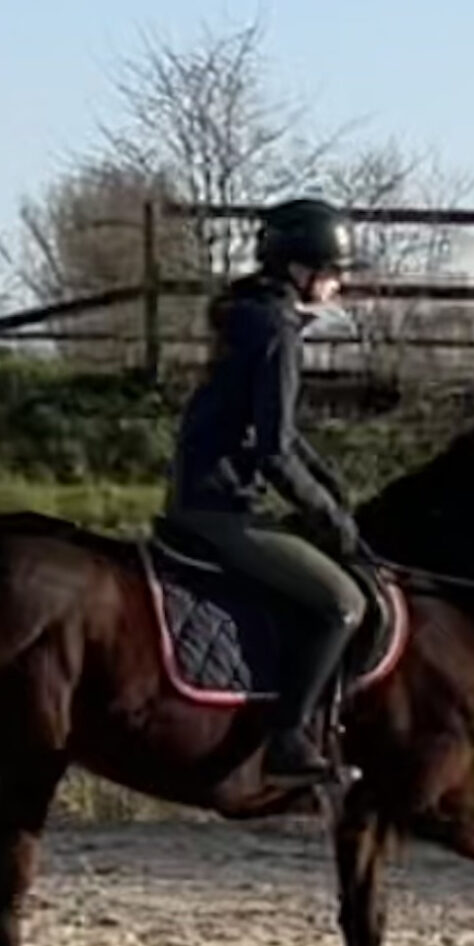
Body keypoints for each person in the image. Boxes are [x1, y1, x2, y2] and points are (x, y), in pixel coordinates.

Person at [164, 196, 369, 785]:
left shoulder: (252, 317)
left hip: (204, 489)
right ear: (301, 270)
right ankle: (287, 738)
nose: (339, 283)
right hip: (220, 504)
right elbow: (274, 450)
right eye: (333, 271)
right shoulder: (277, 331)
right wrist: (329, 515)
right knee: (341, 602)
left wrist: (329, 489)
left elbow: (281, 434)